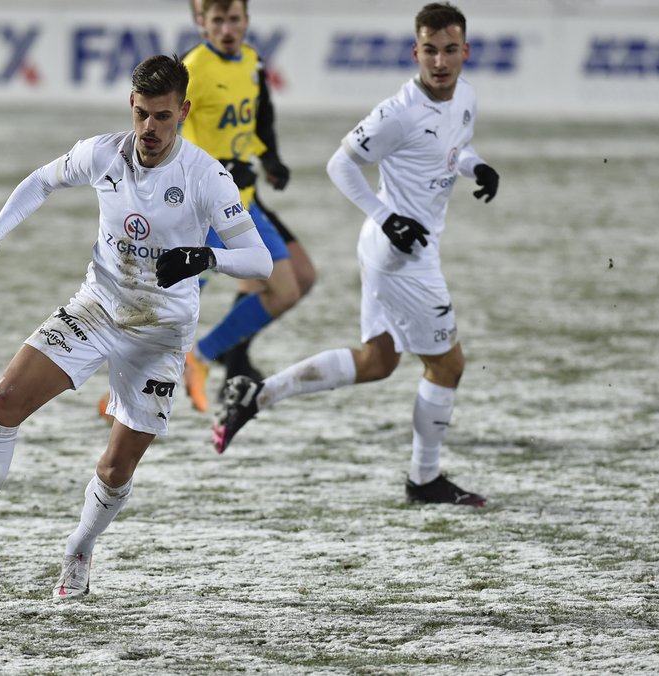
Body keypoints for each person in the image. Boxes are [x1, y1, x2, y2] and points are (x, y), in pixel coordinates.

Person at [0, 54, 271, 601]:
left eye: (161, 117)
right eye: (140, 115)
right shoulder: (103, 153)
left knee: (115, 467)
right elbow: (40, 181)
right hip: (97, 308)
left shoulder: (206, 176)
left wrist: (205, 258)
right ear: (130, 107)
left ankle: (80, 549)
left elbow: (259, 261)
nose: (148, 129)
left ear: (182, 111)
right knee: (0, 404)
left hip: (159, 332)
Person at [213, 2, 500, 507]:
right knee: (447, 366)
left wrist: (477, 168)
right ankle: (424, 479)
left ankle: (256, 394)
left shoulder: (466, 98)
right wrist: (386, 215)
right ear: (416, 52)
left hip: (395, 249)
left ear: (465, 52)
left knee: (378, 361)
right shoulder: (400, 111)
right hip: (401, 254)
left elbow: (454, 149)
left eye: (449, 50)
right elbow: (340, 164)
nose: (439, 61)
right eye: (429, 51)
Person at [180, 0, 316, 412]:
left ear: (246, 22)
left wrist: (270, 159)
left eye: (233, 19)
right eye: (217, 20)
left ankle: (202, 357)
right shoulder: (193, 71)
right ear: (200, 23)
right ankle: (124, 392)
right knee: (173, 308)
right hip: (205, 206)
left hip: (244, 201)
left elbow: (262, 116)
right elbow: (173, 138)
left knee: (289, 286)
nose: (226, 28)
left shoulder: (253, 63)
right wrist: (218, 170)